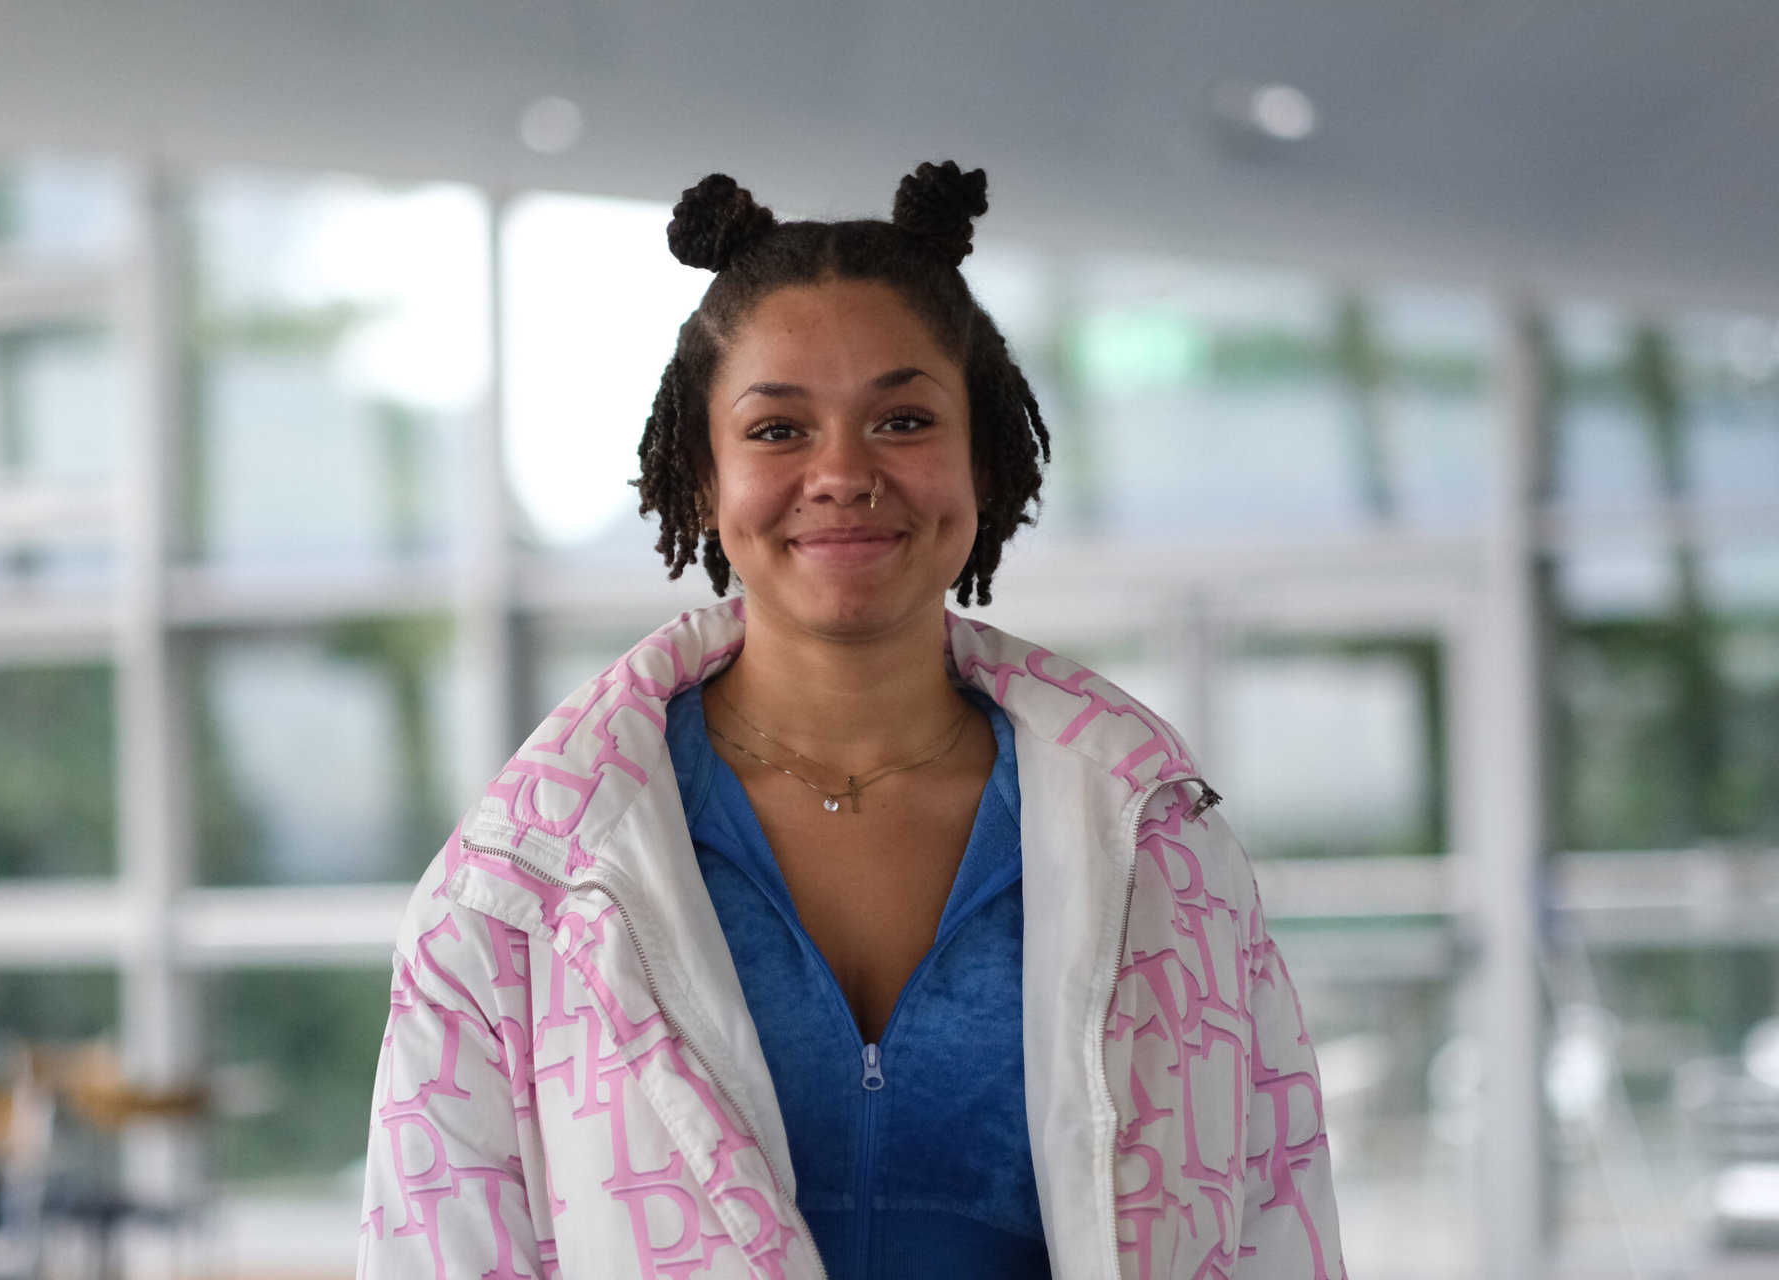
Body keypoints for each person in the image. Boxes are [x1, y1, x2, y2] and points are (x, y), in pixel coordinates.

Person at [358, 162, 1345, 1280]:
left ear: (983, 457)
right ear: (701, 476)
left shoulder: (1164, 849)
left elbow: (1278, 1221)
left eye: (904, 418)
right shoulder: (515, 887)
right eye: (778, 429)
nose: (843, 472)